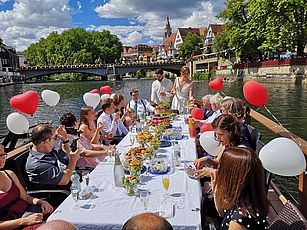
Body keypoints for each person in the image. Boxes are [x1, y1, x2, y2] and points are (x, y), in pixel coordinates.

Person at [212, 147, 269, 229]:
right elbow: (222, 213)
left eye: (221, 169)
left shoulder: (239, 221)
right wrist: (216, 190)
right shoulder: (248, 200)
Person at [0, 144, 53, 230]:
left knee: (63, 217)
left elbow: (26, 197)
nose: (2, 158)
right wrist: (25, 221)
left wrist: (41, 202)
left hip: (30, 213)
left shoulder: (9, 174)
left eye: (3, 155)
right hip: (16, 225)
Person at [26, 124, 80, 206]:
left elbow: (68, 158)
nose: (55, 141)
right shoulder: (37, 164)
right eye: (54, 138)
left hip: (74, 185)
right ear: (46, 141)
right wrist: (73, 160)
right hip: (60, 198)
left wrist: (65, 140)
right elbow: (64, 180)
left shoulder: (48, 150)